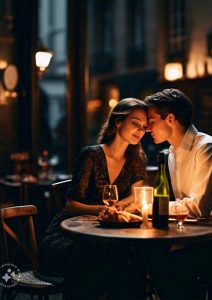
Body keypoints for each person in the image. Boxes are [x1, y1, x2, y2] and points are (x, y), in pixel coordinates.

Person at [144, 88, 212, 300]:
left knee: (167, 264)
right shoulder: (172, 153)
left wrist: (150, 207)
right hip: (198, 236)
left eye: (152, 120)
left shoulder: (208, 149)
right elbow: (184, 206)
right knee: (145, 256)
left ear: (170, 119)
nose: (147, 128)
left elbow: (197, 208)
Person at [37, 98, 148, 300]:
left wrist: (118, 208)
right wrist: (102, 211)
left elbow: (136, 195)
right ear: (118, 122)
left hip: (109, 234)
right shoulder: (90, 155)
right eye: (135, 123)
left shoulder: (136, 159)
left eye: (144, 126)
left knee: (130, 259)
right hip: (70, 234)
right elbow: (71, 205)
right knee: (107, 260)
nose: (140, 130)